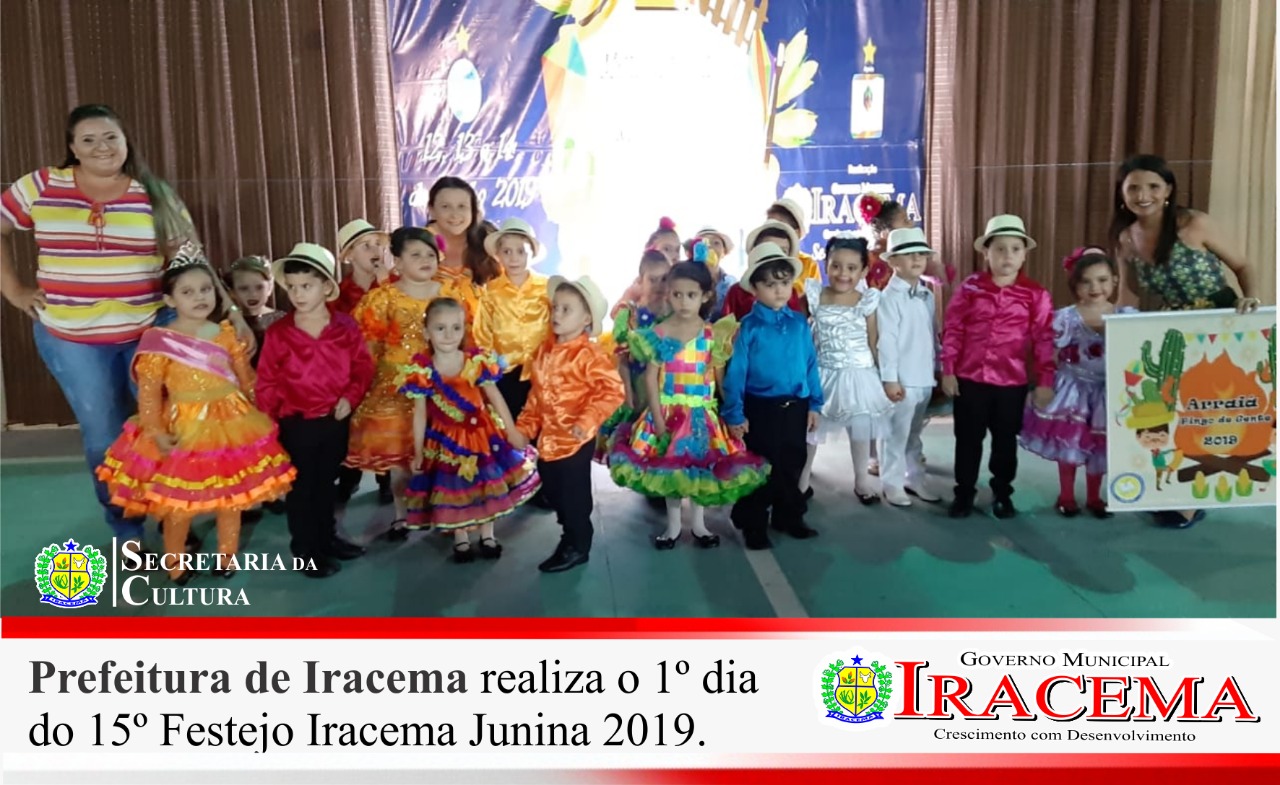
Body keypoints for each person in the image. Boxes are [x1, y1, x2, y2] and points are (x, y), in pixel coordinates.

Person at [0, 104, 253, 553]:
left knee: (174, 425)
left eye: (110, 137)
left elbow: (190, 259)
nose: (102, 147)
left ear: (125, 142)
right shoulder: (41, 185)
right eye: (89, 139)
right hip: (72, 340)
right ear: (72, 147)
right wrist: (15, 291)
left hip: (151, 331)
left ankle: (176, 518)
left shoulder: (152, 193)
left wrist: (232, 312)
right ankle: (126, 529)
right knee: (105, 437)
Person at [95, 243, 294, 583]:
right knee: (178, 500)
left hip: (232, 422)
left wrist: (263, 413)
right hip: (183, 425)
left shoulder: (226, 335)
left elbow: (247, 379)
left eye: (205, 289)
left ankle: (227, 557)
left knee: (231, 495)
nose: (200, 297)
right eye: (187, 292)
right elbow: (148, 394)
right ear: (170, 300)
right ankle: (176, 562)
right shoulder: (159, 340)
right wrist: (156, 430)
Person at [1110, 154, 1262, 528]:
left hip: (1220, 324)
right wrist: (1115, 329)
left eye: (1153, 186)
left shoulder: (1194, 224)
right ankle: (1172, 490)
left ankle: (1193, 500)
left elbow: (1243, 265)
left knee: (1206, 412)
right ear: (1122, 193)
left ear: (1168, 190)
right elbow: (1128, 294)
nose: (1143, 195)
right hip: (1174, 330)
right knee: (1174, 414)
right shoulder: (1126, 239)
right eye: (1133, 188)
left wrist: (1251, 299)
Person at [608, 251, 766, 548]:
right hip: (668, 413)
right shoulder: (658, 333)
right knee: (671, 471)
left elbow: (719, 378)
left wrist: (732, 412)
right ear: (668, 294)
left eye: (691, 295)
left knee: (699, 468)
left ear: (705, 296)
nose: (683, 301)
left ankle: (699, 525)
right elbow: (651, 379)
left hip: (702, 415)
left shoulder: (713, 334)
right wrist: (657, 417)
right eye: (677, 294)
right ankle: (672, 527)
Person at [256, 243, 374, 579]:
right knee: (302, 488)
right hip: (296, 424)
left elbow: (362, 368)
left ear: (326, 287)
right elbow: (266, 381)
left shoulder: (345, 327)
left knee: (326, 482)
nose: (297, 294)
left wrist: (350, 397)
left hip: (335, 420)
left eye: (306, 286)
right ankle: (306, 550)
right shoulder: (279, 333)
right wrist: (272, 425)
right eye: (292, 287)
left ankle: (327, 537)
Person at [401, 298, 541, 562]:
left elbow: (495, 397)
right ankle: (461, 536)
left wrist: (511, 430)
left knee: (486, 484)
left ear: (464, 329)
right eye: (440, 328)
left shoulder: (475, 361)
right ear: (426, 332)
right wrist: (418, 451)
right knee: (455, 487)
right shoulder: (422, 370)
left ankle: (488, 534)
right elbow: (419, 413)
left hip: (482, 438)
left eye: (456, 327)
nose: (449, 335)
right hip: (446, 442)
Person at [941, 215, 1055, 519]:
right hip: (970, 378)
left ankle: (1002, 492)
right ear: (986, 252)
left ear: (1024, 254)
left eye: (1015, 249)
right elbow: (953, 328)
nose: (1007, 256)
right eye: (1000, 249)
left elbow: (1044, 339)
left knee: (1005, 442)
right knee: (967, 439)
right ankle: (964, 493)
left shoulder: (1035, 294)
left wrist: (1045, 381)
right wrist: (948, 369)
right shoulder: (970, 288)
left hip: (1011, 383)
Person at [512, 276, 626, 573]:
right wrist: (525, 428)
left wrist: (586, 420)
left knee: (573, 494)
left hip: (576, 439)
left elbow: (613, 391)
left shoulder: (589, 355)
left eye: (566, 309)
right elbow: (536, 396)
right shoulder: (545, 351)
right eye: (555, 308)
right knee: (552, 488)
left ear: (586, 318)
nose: (557, 315)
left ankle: (577, 544)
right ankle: (570, 528)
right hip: (548, 439)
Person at [721, 243, 823, 550]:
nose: (779, 290)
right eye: (769, 284)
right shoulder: (748, 328)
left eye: (784, 282)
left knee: (792, 463)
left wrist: (814, 403)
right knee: (760, 467)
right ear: (754, 289)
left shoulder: (799, 323)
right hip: (761, 409)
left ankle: (788, 516)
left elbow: (810, 364)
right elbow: (736, 374)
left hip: (796, 407)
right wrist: (735, 413)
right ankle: (752, 522)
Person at [1021, 247, 1135, 518]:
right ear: (1075, 285)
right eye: (1086, 281)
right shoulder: (1066, 318)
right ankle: (1067, 496)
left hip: (1107, 391)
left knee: (1100, 445)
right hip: (1073, 389)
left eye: (1102, 280)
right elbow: (1048, 353)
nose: (1095, 288)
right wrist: (1043, 385)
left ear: (1114, 281)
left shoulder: (1125, 315)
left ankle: (1095, 497)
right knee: (1069, 442)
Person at [347, 227, 444, 537]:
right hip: (395, 389)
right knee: (400, 460)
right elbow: (368, 348)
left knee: (441, 453)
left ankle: (443, 511)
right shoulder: (382, 298)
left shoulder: (451, 294)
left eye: (430, 254)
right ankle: (402, 514)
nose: (425, 260)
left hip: (441, 386)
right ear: (398, 262)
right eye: (415, 255)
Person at [799, 235, 894, 503]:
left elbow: (873, 341)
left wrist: (885, 378)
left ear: (863, 271)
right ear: (826, 265)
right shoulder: (814, 296)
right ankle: (801, 482)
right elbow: (803, 339)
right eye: (836, 266)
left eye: (852, 268)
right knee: (812, 431)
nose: (843, 274)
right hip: (823, 373)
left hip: (860, 375)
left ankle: (862, 481)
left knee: (860, 431)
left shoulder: (867, 300)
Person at [876, 228, 942, 505]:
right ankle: (891, 483)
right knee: (895, 433)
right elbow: (887, 341)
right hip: (901, 380)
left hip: (924, 376)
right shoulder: (888, 298)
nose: (916, 259)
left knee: (914, 434)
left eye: (921, 254)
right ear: (893, 261)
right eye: (908, 254)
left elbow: (932, 334)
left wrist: (938, 366)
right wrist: (890, 379)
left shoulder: (927, 295)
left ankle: (914, 477)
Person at [472, 218, 550, 420]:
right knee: (511, 424)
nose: (514, 258)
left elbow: (559, 325)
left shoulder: (546, 288)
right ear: (498, 255)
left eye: (521, 251)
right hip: (506, 373)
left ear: (532, 254)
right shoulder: (491, 292)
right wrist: (490, 366)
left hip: (544, 372)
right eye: (507, 252)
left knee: (542, 423)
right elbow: (482, 334)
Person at [428, 177, 498, 316]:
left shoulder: (490, 242)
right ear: (432, 210)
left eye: (462, 206)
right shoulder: (417, 244)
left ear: (473, 211)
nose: (455, 214)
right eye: (445, 207)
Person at [721, 221, 806, 320]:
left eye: (783, 251)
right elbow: (726, 325)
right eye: (769, 247)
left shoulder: (790, 292)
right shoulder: (737, 292)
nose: (775, 254)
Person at [228, 256, 285, 368]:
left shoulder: (283, 320)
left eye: (259, 287)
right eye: (244, 288)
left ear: (270, 287)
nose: (253, 294)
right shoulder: (229, 324)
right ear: (233, 292)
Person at [766, 197, 823, 291]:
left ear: (796, 233)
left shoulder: (808, 265)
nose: (772, 232)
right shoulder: (759, 260)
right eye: (769, 227)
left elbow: (814, 297)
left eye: (779, 228)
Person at [691, 227, 737, 318]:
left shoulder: (731, 283)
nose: (710, 247)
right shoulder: (686, 279)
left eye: (716, 243)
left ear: (724, 251)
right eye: (704, 242)